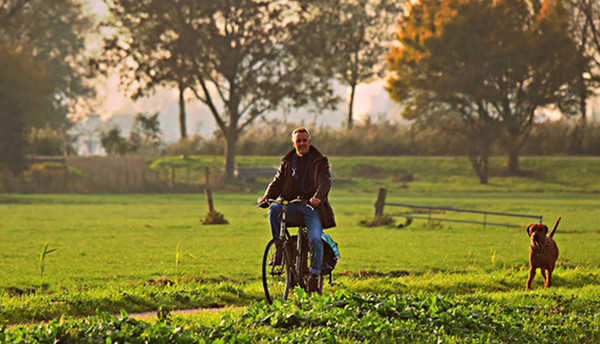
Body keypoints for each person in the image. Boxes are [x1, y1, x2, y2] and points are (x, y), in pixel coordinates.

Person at [258, 127, 336, 294]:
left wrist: (318, 197)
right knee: (274, 210)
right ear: (293, 143)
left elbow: (325, 181)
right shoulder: (287, 162)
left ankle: (314, 276)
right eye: (298, 141)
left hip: (311, 208)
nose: (301, 143)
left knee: (315, 239)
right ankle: (280, 250)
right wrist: (266, 198)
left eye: (304, 140)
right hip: (290, 205)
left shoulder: (320, 161)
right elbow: (277, 182)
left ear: (309, 142)